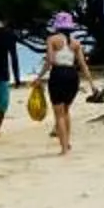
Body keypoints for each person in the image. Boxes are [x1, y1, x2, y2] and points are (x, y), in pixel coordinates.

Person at [34, 11, 89, 156]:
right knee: (66, 111)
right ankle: (67, 142)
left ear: (57, 26)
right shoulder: (76, 43)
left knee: (58, 114)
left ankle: (64, 148)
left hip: (58, 74)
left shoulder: (52, 40)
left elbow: (50, 61)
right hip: (72, 76)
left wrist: (39, 77)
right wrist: (91, 83)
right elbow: (82, 64)